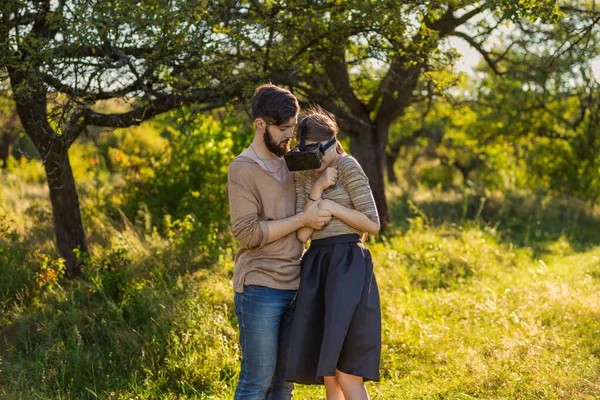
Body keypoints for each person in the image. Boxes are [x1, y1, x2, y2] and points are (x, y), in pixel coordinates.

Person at [227, 84, 333, 399]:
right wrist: (302, 221)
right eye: (283, 128)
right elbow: (248, 233)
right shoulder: (242, 169)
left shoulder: (293, 162)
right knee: (256, 382)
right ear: (261, 124)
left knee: (284, 384)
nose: (289, 136)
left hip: (297, 285)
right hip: (260, 287)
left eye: (293, 127)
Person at [285, 107, 381, 400]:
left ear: (330, 141)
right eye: (305, 150)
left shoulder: (348, 166)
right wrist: (318, 187)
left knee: (346, 369)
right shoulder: (304, 172)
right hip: (317, 265)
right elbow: (302, 234)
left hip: (348, 263)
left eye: (315, 151)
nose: (311, 157)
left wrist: (333, 208)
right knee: (329, 373)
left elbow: (373, 224)